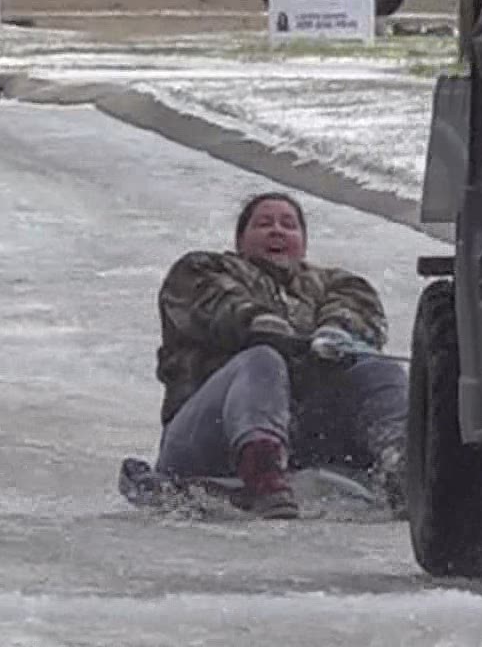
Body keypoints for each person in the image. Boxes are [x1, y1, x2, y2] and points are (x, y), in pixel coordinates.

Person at [152, 192, 406, 518]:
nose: (277, 231)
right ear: (241, 240)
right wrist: (264, 326)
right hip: (206, 437)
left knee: (376, 370)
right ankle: (262, 469)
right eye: (263, 223)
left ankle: (402, 465)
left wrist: (336, 332)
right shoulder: (200, 270)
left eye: (289, 225)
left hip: (305, 433)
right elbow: (216, 306)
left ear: (302, 242)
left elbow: (359, 309)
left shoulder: (337, 284)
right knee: (262, 361)